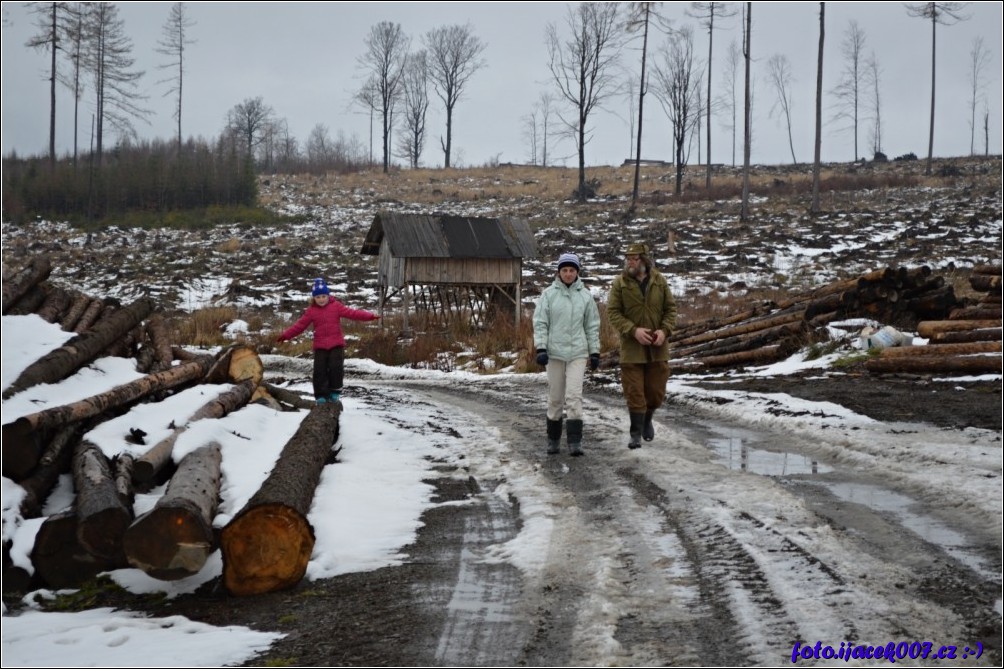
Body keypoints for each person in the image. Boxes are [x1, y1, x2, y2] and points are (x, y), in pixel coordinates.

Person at [606, 243, 678, 449]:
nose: (630, 262)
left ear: (645, 260)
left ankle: (647, 419)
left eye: (635, 258)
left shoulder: (659, 281)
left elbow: (670, 309)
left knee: (655, 392)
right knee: (634, 391)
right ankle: (635, 433)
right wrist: (633, 330)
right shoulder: (619, 283)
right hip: (631, 348)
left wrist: (664, 331)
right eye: (628, 258)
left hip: (657, 347)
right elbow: (613, 312)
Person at [533, 252, 601, 456]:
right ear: (559, 272)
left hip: (577, 353)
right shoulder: (548, 295)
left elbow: (592, 325)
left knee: (574, 397)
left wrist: (595, 351)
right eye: (565, 270)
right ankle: (553, 440)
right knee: (555, 398)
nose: (568, 274)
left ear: (577, 272)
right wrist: (541, 348)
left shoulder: (586, 296)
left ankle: (574, 442)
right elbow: (540, 323)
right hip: (553, 354)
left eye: (572, 270)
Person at [277, 277, 380, 404]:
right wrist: (286, 335)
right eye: (318, 297)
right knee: (319, 371)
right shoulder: (311, 311)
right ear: (314, 298)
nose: (321, 299)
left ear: (328, 295)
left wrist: (370, 316)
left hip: (336, 344)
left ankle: (334, 392)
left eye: (323, 296)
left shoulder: (336, 306)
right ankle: (321, 396)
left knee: (336, 368)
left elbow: (353, 313)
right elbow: (300, 326)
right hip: (320, 346)